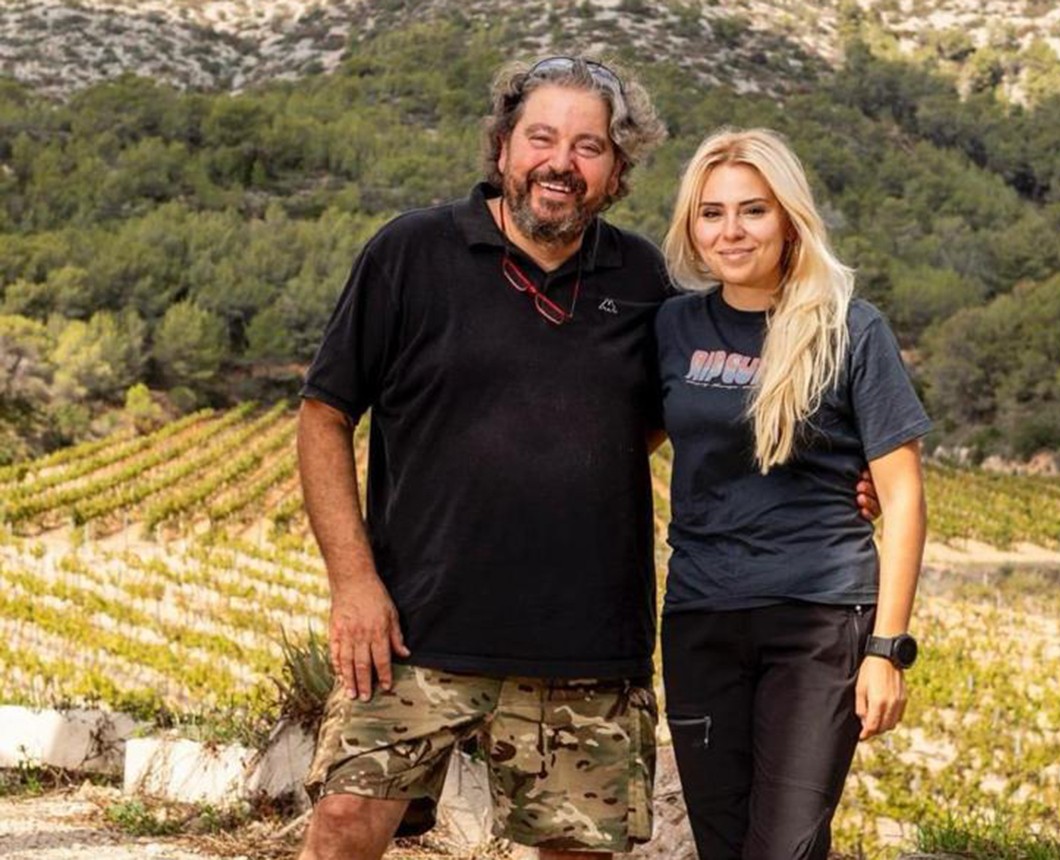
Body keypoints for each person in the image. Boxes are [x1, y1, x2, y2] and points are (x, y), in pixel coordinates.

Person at [295, 57, 670, 860]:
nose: (561, 163)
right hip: (410, 636)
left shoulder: (644, 278)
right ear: (502, 148)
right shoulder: (408, 253)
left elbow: (699, 406)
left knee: (579, 853)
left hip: (587, 643)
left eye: (590, 146)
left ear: (615, 172)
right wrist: (354, 585)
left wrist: (848, 478)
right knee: (343, 824)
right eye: (541, 137)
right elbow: (324, 416)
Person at [656, 128, 930, 860]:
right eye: (712, 213)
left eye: (753, 210)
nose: (731, 230)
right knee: (722, 844)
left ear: (788, 218)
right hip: (699, 618)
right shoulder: (673, 326)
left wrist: (887, 650)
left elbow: (902, 499)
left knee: (785, 847)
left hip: (817, 623)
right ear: (691, 224)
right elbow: (623, 441)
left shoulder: (850, 328)